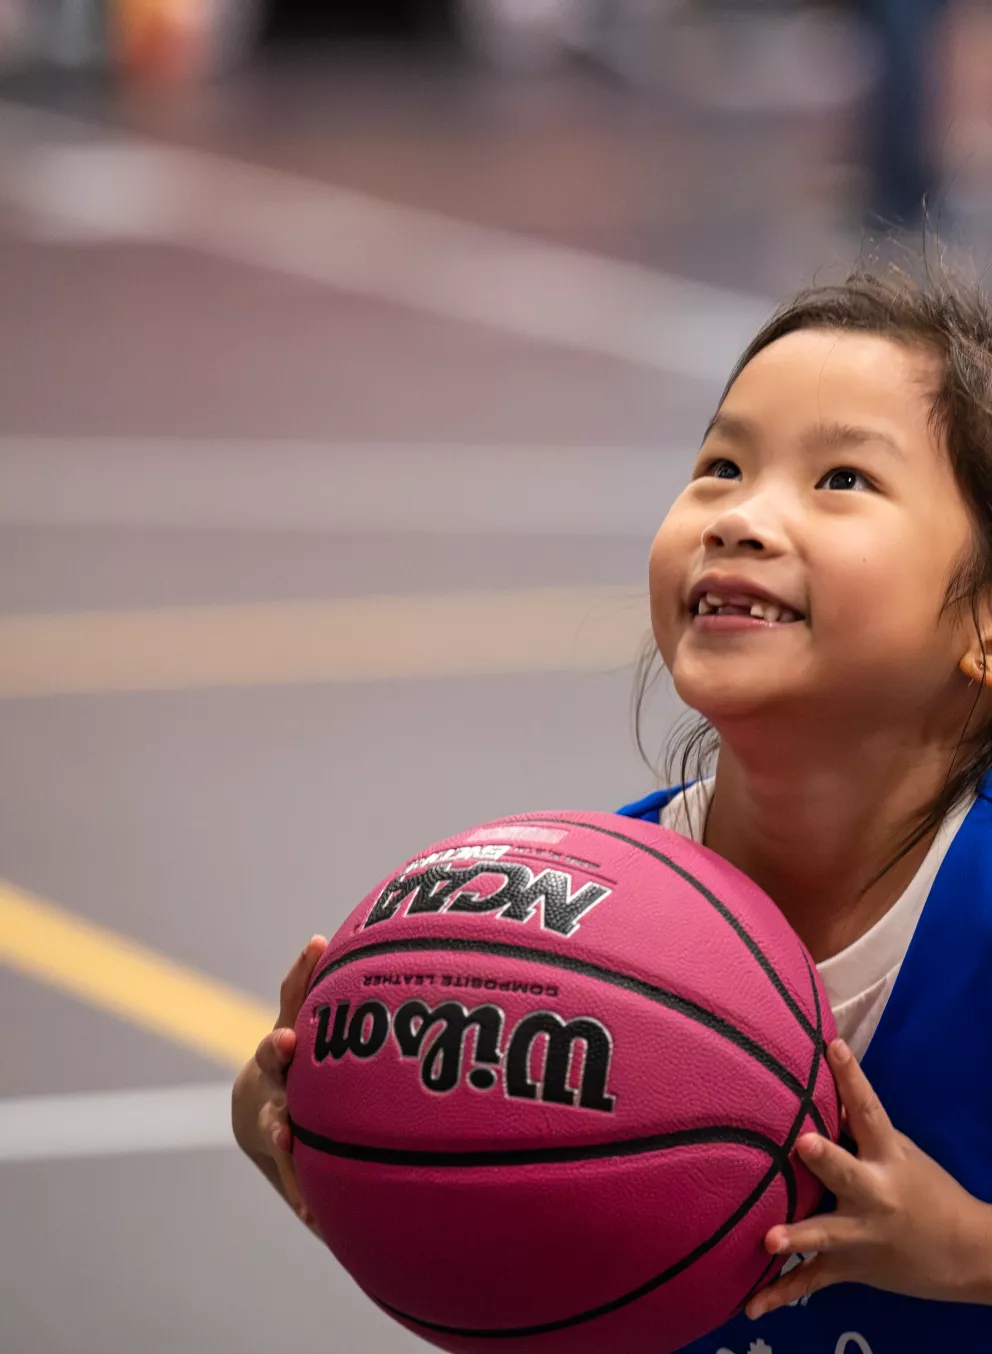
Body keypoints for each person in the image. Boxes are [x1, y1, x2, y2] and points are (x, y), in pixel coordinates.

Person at [232, 256, 992, 1351]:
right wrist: (289, 1119)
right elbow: (316, 1131)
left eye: (839, 481)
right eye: (720, 466)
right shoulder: (574, 917)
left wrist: (965, 1251)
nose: (740, 516)